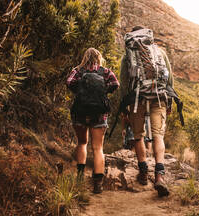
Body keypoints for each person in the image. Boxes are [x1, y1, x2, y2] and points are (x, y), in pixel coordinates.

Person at [120, 26, 175, 197]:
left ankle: (143, 172)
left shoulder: (128, 55)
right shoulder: (159, 52)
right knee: (158, 135)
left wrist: (124, 106)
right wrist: (170, 101)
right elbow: (169, 77)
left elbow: (124, 82)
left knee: (138, 135)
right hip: (159, 96)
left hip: (137, 98)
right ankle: (159, 175)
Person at [66, 48, 119, 194]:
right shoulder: (105, 71)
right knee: (98, 148)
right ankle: (98, 184)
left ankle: (80, 178)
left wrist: (81, 91)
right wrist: (103, 92)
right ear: (99, 58)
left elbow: (69, 82)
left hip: (80, 112)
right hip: (99, 114)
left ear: (85, 57)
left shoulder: (77, 70)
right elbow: (116, 84)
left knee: (82, 143)